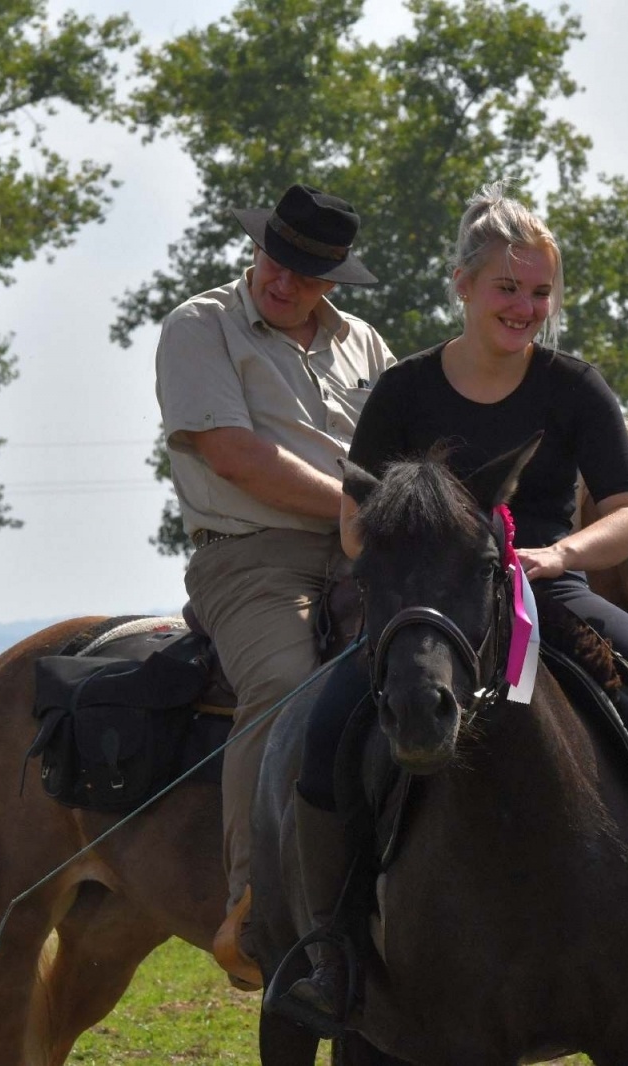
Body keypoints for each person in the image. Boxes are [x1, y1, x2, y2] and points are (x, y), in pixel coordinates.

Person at [277, 183, 628, 1030]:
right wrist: (424, 552)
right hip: (427, 607)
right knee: (327, 735)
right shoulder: (402, 392)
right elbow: (355, 525)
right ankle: (335, 953)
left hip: (550, 587)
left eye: (540, 291)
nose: (525, 307)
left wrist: (559, 554)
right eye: (507, 287)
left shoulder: (575, 387)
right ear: (463, 285)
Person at [154, 183, 393, 988]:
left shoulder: (365, 344)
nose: (281, 281)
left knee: (441, 664)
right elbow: (235, 456)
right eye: (273, 259)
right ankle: (255, 906)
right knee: (287, 682)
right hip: (248, 555)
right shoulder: (200, 327)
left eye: (305, 273)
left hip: (365, 551)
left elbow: (404, 449)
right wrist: (359, 508)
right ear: (259, 247)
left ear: (333, 278)